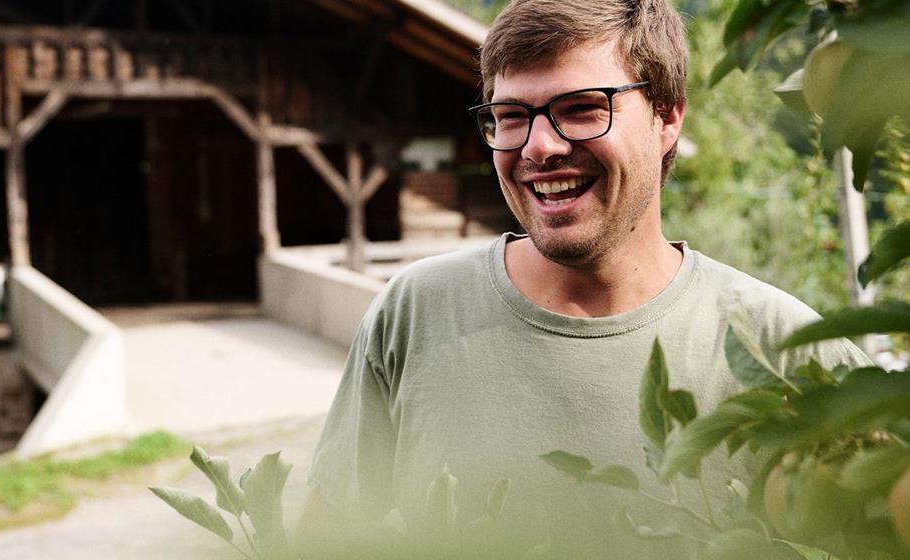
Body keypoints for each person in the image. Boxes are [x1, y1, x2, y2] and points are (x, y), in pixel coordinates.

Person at [299, 0, 871, 557]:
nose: (539, 146)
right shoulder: (415, 312)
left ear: (667, 116)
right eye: (512, 117)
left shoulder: (782, 349)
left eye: (581, 108)